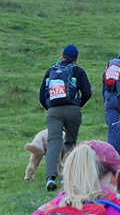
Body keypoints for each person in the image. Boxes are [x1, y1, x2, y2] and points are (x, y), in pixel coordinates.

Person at [39, 46, 93, 192]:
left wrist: (49, 108)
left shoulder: (51, 71)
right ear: (76, 59)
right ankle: (66, 176)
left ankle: (50, 177)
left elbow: (41, 96)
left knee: (53, 142)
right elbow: (87, 92)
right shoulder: (78, 71)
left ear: (62, 55)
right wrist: (78, 105)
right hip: (73, 110)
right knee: (70, 142)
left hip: (53, 110)